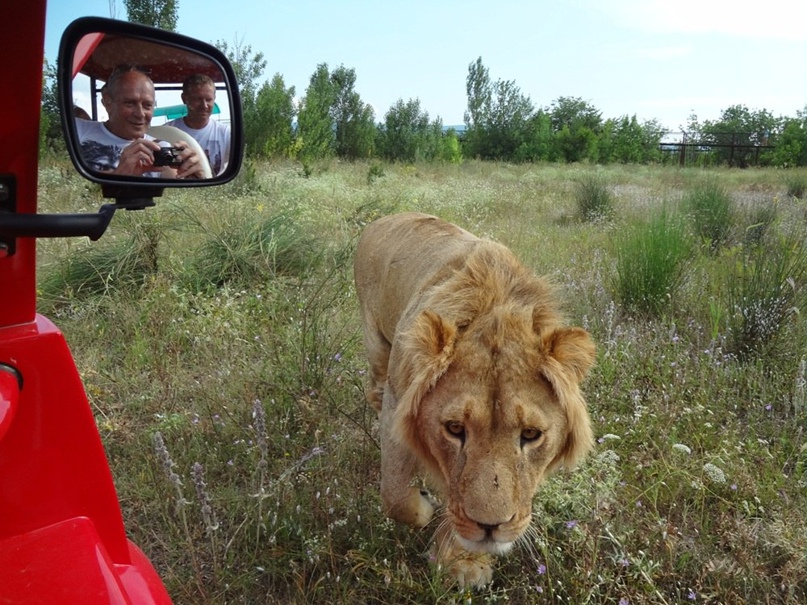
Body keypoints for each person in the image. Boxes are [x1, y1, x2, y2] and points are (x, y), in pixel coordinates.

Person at [75, 65, 206, 179]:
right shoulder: (78, 129)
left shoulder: (159, 149)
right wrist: (119, 175)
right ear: (108, 101)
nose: (140, 114)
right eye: (130, 103)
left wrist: (195, 176)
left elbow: (175, 190)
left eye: (147, 105)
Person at [166, 73, 230, 175]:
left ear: (214, 98)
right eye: (197, 99)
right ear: (184, 99)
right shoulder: (166, 132)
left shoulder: (226, 133)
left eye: (208, 99)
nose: (204, 105)